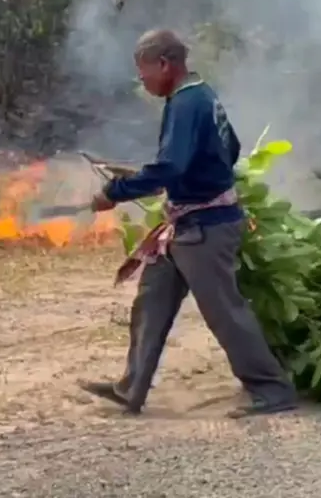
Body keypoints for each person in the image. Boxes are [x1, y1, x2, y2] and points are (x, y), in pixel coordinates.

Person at [80, 29, 299, 419]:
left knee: (224, 311)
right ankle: (131, 388)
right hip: (188, 224)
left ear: (164, 64)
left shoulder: (185, 104)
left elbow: (170, 166)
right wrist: (191, 179)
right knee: (151, 299)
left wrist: (114, 192)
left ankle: (272, 388)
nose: (142, 81)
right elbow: (228, 149)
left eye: (143, 71)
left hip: (206, 229)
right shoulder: (203, 95)